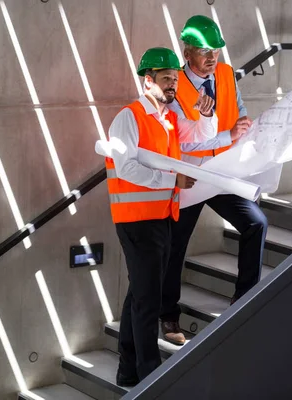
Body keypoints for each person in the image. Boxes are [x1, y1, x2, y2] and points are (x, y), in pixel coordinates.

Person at [105, 47, 218, 386]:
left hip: (161, 218)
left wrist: (205, 113)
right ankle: (149, 378)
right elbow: (126, 168)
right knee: (148, 300)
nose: (173, 84)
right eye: (167, 79)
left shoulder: (168, 118)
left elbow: (201, 137)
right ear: (147, 80)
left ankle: (128, 371)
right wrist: (173, 180)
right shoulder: (129, 117)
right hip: (137, 220)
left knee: (139, 294)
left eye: (175, 79)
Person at [160, 15, 269, 347]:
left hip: (221, 172)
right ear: (188, 50)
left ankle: (244, 300)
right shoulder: (173, 83)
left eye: (217, 52)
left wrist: (244, 125)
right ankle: (167, 315)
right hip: (189, 177)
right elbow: (182, 138)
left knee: (256, 223)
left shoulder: (224, 73)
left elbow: (237, 108)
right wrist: (225, 132)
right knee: (175, 245)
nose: (212, 59)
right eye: (205, 51)